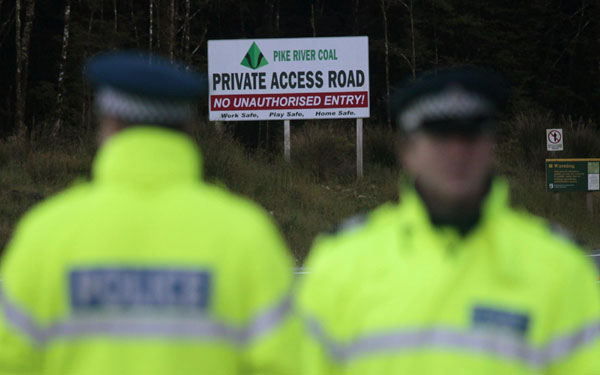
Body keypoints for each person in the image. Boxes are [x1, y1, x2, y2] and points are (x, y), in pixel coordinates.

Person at [0, 51, 299, 375]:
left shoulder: (46, 233)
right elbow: (286, 363)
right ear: (188, 127)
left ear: (109, 125)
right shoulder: (247, 236)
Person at [298, 68, 600, 374]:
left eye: (471, 134)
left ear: (491, 146)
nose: (457, 151)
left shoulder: (561, 265)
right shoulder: (342, 261)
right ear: (407, 151)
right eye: (440, 134)